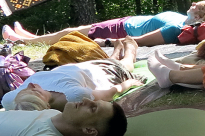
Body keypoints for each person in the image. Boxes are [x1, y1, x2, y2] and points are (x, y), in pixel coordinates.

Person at [3, 0, 205, 47]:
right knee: (71, 31)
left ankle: (24, 40)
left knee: (71, 32)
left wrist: (108, 42)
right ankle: (30, 37)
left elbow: (140, 41)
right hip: (126, 22)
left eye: (197, 6)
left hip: (122, 29)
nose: (193, 3)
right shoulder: (185, 21)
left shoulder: (176, 29)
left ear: (199, 16)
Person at [1, 45, 143, 111]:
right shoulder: (74, 96)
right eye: (35, 92)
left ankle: (116, 51)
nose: (31, 85)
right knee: (127, 64)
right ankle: (130, 46)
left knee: (109, 59)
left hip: (76, 68)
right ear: (47, 106)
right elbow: (109, 94)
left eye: (24, 90)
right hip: (102, 75)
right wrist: (129, 82)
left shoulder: (10, 101)